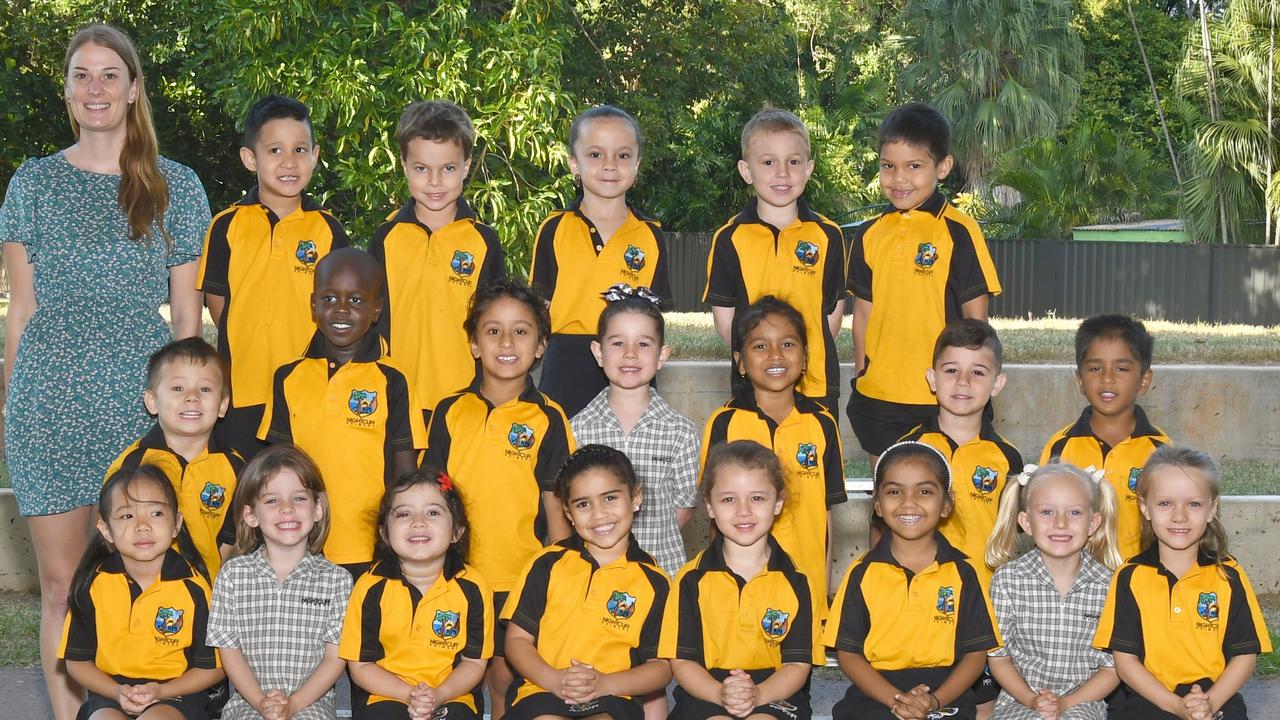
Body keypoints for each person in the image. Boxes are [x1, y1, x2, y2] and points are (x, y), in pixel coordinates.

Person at [0, 23, 210, 719]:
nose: (95, 88)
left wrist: (187, 418)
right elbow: (21, 311)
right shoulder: (32, 182)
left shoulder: (174, 184)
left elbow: (186, 323)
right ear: (65, 89)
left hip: (138, 405)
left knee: (139, 578)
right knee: (63, 587)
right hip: (48, 402)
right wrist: (12, 406)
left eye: (109, 75)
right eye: (81, 75)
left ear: (133, 89)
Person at [423, 279, 575, 717]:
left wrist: (558, 571)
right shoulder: (450, 411)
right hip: (459, 575)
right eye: (493, 331)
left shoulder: (548, 417)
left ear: (541, 345)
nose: (507, 343)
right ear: (473, 344)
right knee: (461, 674)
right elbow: (436, 496)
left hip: (520, 577)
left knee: (507, 676)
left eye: (521, 331)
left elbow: (555, 502)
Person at [846, 102, 1001, 464]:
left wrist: (969, 382)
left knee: (949, 498)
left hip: (941, 397)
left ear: (942, 167)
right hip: (881, 394)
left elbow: (976, 322)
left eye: (914, 166)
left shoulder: (959, 231)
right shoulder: (869, 234)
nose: (899, 179)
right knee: (888, 496)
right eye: (889, 167)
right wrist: (862, 377)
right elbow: (863, 314)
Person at [197, 94, 349, 461]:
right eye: (275, 150)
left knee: (302, 490)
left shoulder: (328, 230)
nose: (289, 162)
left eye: (300, 150)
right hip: (244, 389)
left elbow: (341, 307)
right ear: (251, 158)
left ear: (314, 155)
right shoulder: (226, 226)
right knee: (247, 493)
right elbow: (218, 303)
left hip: (308, 391)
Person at [259, 247, 426, 573]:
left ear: (376, 310)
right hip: (302, 544)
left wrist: (397, 536)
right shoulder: (288, 377)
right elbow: (278, 465)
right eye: (330, 299)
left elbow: (404, 471)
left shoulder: (393, 380)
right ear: (313, 305)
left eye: (357, 301)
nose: (341, 310)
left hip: (370, 548)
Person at [1094, 446, 1273, 720]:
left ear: (1212, 509)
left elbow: (1245, 655)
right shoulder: (1130, 577)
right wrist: (1176, 706)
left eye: (1194, 504)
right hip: (1149, 700)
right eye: (1165, 503)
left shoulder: (1229, 575)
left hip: (1218, 698)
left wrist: (1209, 703)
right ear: (1145, 507)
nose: (1180, 516)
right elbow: (1126, 662)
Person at [825, 442, 999, 720]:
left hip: (946, 693)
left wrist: (934, 700)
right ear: (878, 505)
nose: (909, 502)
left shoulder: (964, 573)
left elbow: (976, 656)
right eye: (895, 492)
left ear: (946, 505)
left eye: (925, 491)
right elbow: (848, 655)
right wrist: (896, 700)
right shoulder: (862, 573)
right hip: (875, 692)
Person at [502, 445, 672, 720]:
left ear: (635, 497)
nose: (598, 514)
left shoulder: (655, 581)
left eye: (610, 498)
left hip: (613, 697)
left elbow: (661, 668)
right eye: (583, 504)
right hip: (541, 691)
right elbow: (517, 641)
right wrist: (555, 680)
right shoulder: (546, 564)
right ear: (568, 513)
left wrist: (605, 683)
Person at [660, 440, 823, 720]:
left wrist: (758, 695)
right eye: (728, 499)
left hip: (775, 691)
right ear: (709, 506)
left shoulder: (798, 582)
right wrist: (719, 694)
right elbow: (683, 661)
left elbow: (797, 665)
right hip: (706, 689)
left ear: (778, 503)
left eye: (757, 498)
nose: (743, 510)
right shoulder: (690, 580)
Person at [530, 105, 673, 416]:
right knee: (565, 459)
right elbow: (538, 307)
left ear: (637, 164)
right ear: (574, 164)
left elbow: (654, 315)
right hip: (565, 367)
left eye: (622, 156)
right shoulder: (554, 229)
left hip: (630, 364)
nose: (610, 165)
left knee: (632, 460)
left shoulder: (651, 235)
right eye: (595, 155)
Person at [703, 108, 846, 417]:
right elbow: (725, 320)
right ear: (746, 171)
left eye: (793, 162)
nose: (782, 172)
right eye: (768, 162)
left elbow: (832, 316)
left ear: (808, 169)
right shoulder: (730, 238)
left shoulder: (828, 236)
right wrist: (763, 358)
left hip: (815, 383)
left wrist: (797, 356)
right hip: (752, 385)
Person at [700, 295, 844, 601]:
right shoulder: (724, 422)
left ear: (805, 358)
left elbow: (827, 516)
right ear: (739, 361)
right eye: (760, 346)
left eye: (788, 344)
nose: (775, 355)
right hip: (741, 590)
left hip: (806, 590)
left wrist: (821, 596)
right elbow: (715, 515)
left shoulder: (823, 423)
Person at [370, 100, 506, 425]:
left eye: (447, 168)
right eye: (421, 168)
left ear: (466, 166)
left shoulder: (484, 242)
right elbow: (371, 320)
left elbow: (493, 323)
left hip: (464, 401)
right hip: (395, 399)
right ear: (404, 165)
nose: (434, 181)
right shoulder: (386, 237)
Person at [60, 465, 223, 720]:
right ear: (105, 529)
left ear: (176, 524)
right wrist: (116, 691)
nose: (142, 526)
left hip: (176, 691)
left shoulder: (194, 589)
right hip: (110, 690)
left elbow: (213, 668)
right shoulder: (93, 585)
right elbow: (77, 662)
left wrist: (162, 690)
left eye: (156, 513)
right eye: (127, 516)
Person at [207, 445, 351, 720]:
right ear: (251, 515)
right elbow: (230, 651)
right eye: (272, 501)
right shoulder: (233, 575)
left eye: (299, 498)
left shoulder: (337, 580)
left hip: (312, 706)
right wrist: (262, 703)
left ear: (317, 508)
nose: (287, 509)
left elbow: (335, 659)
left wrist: (294, 705)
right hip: (247, 705)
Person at [340, 466, 494, 720]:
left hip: (453, 695)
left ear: (456, 531)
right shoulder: (369, 587)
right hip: (386, 694)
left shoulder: (474, 587)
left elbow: (474, 663)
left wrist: (439, 694)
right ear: (385, 534)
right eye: (404, 513)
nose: (418, 522)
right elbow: (361, 666)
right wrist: (410, 695)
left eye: (433, 512)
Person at [571, 284, 700, 576]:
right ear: (598, 352)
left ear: (662, 354)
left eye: (643, 344)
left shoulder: (682, 432)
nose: (630, 354)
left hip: (661, 570)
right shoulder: (576, 429)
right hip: (594, 572)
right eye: (618, 343)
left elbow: (684, 507)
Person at [984, 463, 1123, 719]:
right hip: (1019, 700)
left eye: (1074, 513)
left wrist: (1066, 703)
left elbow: (1112, 668)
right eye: (1047, 512)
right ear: (1026, 521)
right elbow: (999, 657)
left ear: (1093, 523)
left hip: (1084, 702)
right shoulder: (1007, 580)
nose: (1060, 523)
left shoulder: (1111, 586)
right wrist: (1032, 700)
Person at [1040, 314, 1171, 561]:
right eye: (1095, 368)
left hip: (1139, 582)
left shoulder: (1161, 451)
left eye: (1121, 368)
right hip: (1077, 585)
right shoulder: (1060, 447)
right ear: (1080, 380)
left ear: (1144, 380)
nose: (1107, 378)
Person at [105, 338, 239, 579]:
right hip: (141, 593)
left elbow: (230, 540)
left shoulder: (235, 467)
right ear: (152, 401)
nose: (192, 397)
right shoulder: (132, 466)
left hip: (204, 598)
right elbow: (112, 534)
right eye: (178, 388)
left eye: (205, 389)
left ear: (222, 404)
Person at [900, 319, 1022, 579]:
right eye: (951, 370)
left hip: (984, 595)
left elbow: (1011, 536)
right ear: (932, 379)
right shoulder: (909, 449)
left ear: (997, 384)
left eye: (978, 372)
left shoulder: (1007, 457)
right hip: (921, 593)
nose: (963, 382)